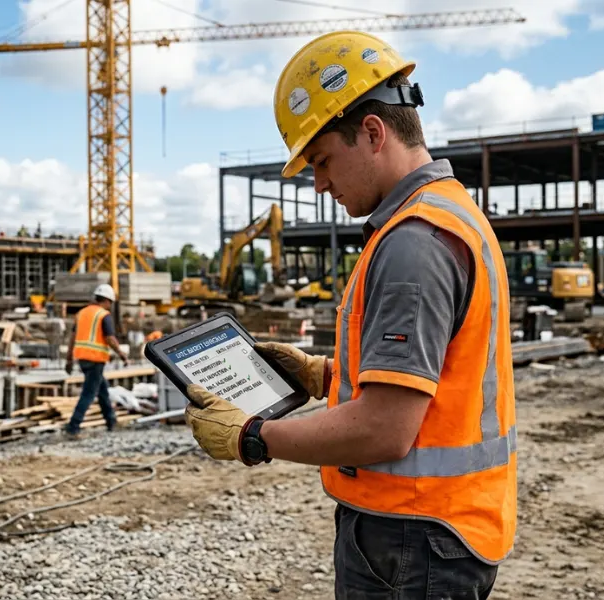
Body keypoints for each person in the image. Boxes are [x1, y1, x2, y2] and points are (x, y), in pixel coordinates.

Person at [182, 31, 516, 599]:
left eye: (322, 161)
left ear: (372, 132)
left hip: (414, 538)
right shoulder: (450, 214)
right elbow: (434, 389)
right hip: (439, 530)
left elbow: (386, 429)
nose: (319, 184)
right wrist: (323, 376)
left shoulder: (415, 243)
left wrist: (253, 436)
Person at [64, 283, 128, 437]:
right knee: (88, 394)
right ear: (107, 301)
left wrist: (69, 359)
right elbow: (110, 339)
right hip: (95, 359)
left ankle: (111, 421)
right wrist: (121, 354)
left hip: (82, 359)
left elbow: (72, 338)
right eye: (111, 303)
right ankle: (73, 426)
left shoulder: (81, 313)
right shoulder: (103, 315)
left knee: (102, 390)